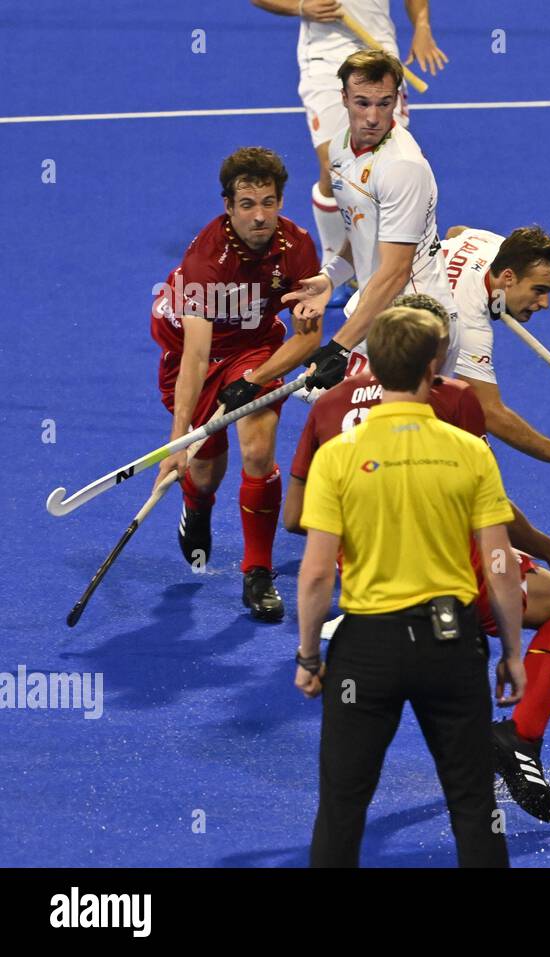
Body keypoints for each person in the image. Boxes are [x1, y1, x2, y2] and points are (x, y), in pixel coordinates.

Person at [286, 292, 550, 823]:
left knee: (344, 799)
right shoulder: (453, 399)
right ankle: (519, 736)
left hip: (366, 590)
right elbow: (486, 511)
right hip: (450, 579)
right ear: (431, 355)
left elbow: (294, 521)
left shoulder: (329, 405)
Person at [295, 304, 524, 867]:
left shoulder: (338, 457)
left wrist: (307, 656)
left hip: (367, 651)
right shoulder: (468, 450)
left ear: (371, 367)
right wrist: (512, 652)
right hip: (452, 647)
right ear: (433, 370)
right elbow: (499, 563)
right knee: (473, 803)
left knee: (342, 806)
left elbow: (318, 572)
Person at [150, 146, 322, 620]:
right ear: (229, 207)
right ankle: (197, 504)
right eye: (247, 205)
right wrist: (178, 441)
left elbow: (310, 340)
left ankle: (258, 572)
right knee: (205, 467)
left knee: (258, 449)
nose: (259, 215)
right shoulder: (207, 261)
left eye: (268, 202)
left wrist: (255, 379)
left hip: (255, 349)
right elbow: (196, 355)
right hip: (195, 355)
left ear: (281, 201)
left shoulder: (298, 246)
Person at [286, 49, 458, 393]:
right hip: (376, 312)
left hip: (415, 323)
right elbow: (362, 227)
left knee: (404, 439)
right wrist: (331, 278)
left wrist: (339, 346)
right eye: (362, 103)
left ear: (397, 100)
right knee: (339, 421)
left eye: (384, 103)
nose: (373, 117)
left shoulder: (401, 167)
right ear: (344, 99)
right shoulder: (339, 149)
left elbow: (395, 271)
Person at [248, 0, 448, 288]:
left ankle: (395, 259)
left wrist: (422, 26)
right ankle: (335, 268)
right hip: (324, 58)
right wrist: (301, 7)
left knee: (389, 165)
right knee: (332, 167)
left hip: (379, 54)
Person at [440, 224, 550, 483]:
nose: (545, 304)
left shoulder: (497, 250)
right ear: (508, 277)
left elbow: (456, 233)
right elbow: (490, 412)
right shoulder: (467, 323)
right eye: (539, 290)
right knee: (474, 469)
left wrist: (498, 299)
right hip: (375, 371)